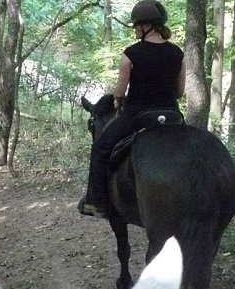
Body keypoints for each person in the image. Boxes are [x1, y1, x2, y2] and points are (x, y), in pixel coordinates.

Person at [78, 0, 186, 218]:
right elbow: (180, 91)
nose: (135, 29)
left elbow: (119, 92)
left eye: (137, 25)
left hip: (137, 114)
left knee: (100, 149)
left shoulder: (131, 53)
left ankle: (96, 202)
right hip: (172, 115)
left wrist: (119, 100)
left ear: (146, 26)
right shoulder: (178, 53)